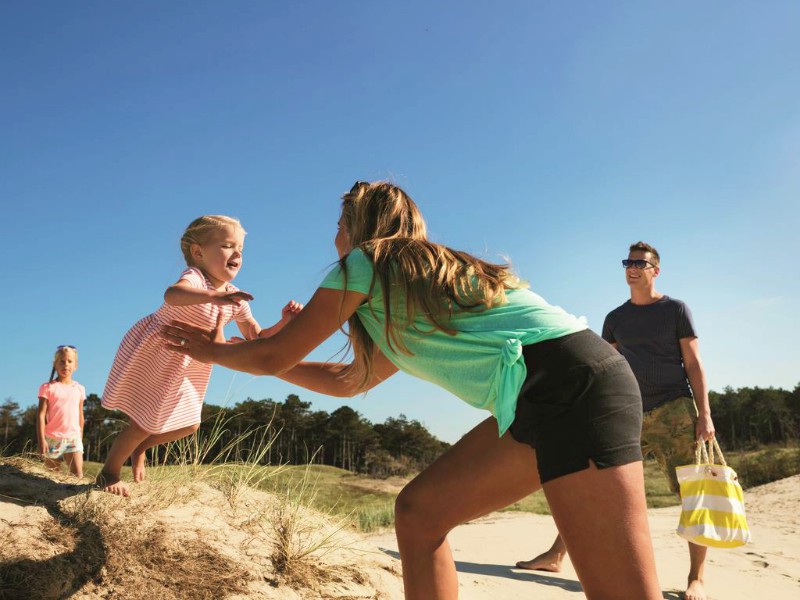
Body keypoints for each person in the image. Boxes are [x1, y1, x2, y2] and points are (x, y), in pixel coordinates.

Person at [163, 182, 662, 600]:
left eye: (340, 226)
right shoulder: (403, 286)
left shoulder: (367, 262)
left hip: (572, 383)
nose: (333, 237)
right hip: (545, 393)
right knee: (420, 514)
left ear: (359, 228)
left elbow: (273, 354)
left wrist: (213, 351)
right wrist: (264, 362)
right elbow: (348, 381)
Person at [515, 240, 715, 600]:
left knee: (693, 493)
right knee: (592, 483)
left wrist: (705, 414)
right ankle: (556, 555)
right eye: (627, 262)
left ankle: (696, 578)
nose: (632, 268)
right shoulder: (616, 318)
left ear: (656, 269)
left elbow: (694, 363)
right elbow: (605, 367)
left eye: (640, 263)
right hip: (628, 411)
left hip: (674, 410)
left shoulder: (676, 310)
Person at [96, 215, 302, 496]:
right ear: (198, 252)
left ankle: (141, 447)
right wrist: (212, 297)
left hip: (192, 361)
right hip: (162, 350)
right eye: (228, 245)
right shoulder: (196, 277)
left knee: (190, 424)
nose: (237, 253)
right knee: (145, 420)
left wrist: (284, 323)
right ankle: (109, 473)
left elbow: (256, 336)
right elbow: (172, 295)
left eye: (241, 248)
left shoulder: (235, 297)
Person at [37, 345, 86, 478]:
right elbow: (41, 415)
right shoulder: (47, 388)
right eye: (62, 361)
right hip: (52, 438)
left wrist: (80, 438)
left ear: (75, 365)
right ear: (55, 364)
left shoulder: (79, 389)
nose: (66, 365)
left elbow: (80, 415)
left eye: (70, 361)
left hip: (73, 438)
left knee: (77, 477)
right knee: (51, 478)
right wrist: (42, 440)